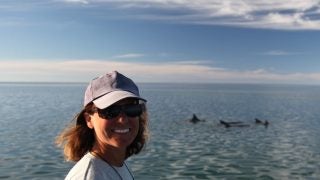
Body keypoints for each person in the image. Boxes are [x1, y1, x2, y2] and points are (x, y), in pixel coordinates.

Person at [56, 71, 149, 180]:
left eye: (131, 108)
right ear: (89, 119)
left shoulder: (114, 165)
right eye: (110, 111)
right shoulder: (90, 176)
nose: (122, 120)